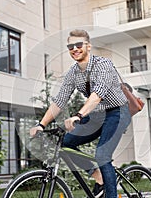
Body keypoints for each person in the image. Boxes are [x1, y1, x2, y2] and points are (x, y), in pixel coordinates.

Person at [30, 29, 131, 198]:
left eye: (79, 45)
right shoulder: (73, 73)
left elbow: (97, 95)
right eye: (70, 46)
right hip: (96, 116)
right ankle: (99, 177)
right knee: (66, 143)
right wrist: (42, 124)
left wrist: (78, 115)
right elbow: (60, 100)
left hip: (117, 112)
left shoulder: (104, 65)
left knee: (102, 154)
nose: (74, 49)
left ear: (88, 46)